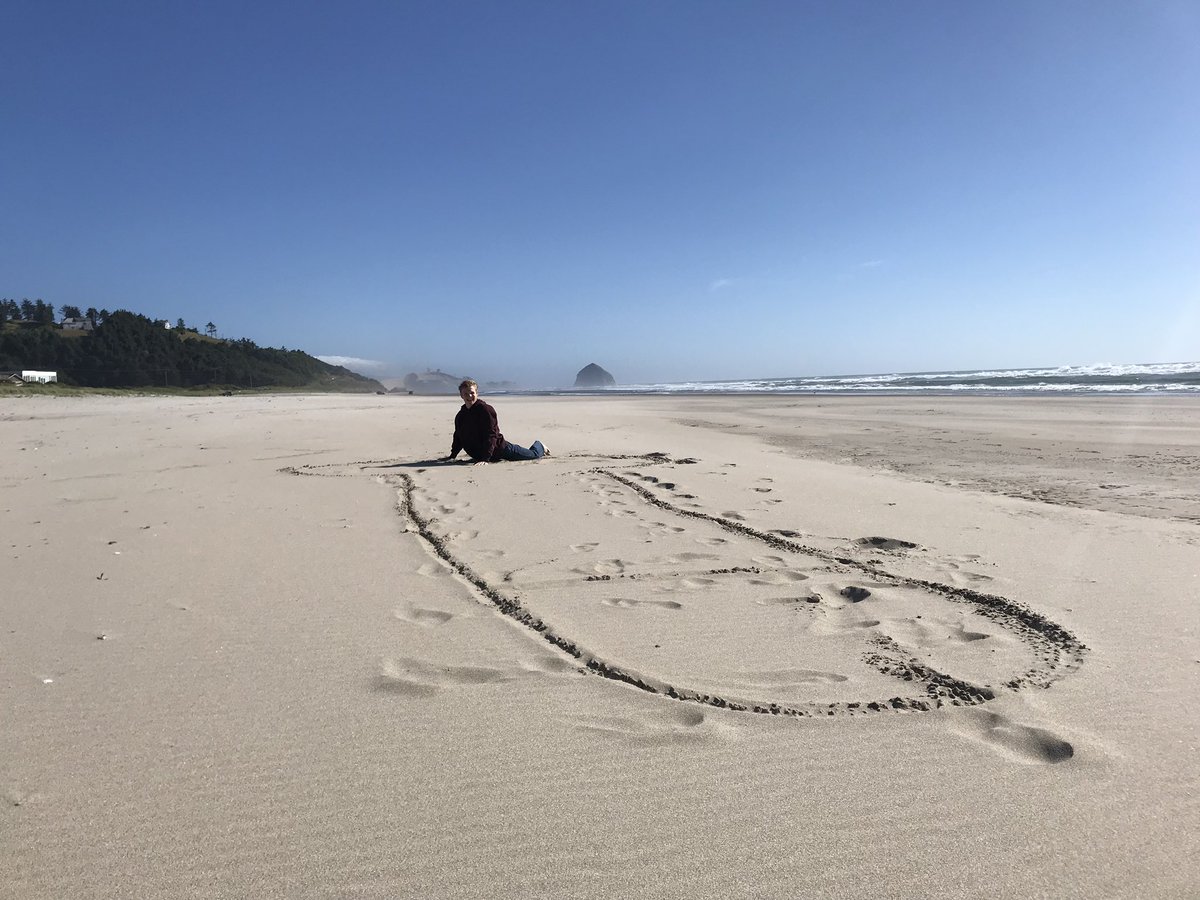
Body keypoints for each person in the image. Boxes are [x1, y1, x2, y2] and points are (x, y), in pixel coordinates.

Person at [443, 379, 549, 464]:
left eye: (472, 393)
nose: (469, 396)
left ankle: (540, 445)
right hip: (480, 454)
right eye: (466, 393)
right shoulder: (461, 415)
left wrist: (485, 459)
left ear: (477, 393)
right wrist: (452, 456)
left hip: (500, 449)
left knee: (533, 454)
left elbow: (491, 434)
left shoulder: (486, 410)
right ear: (461, 395)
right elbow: (458, 436)